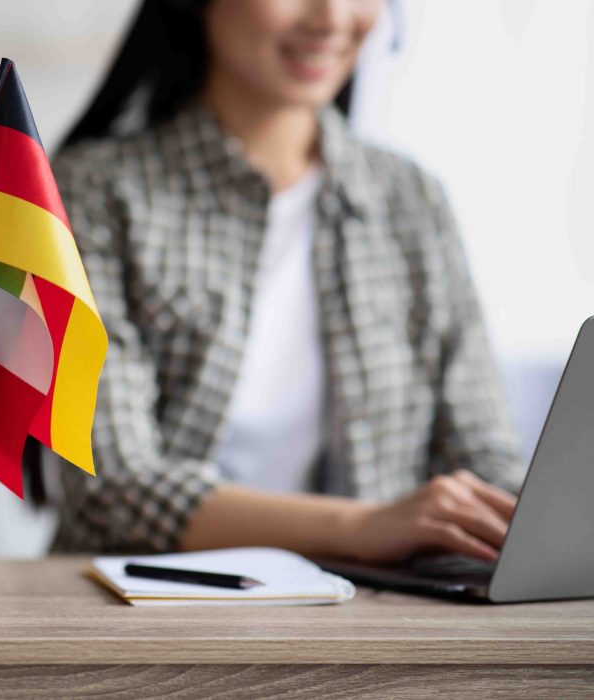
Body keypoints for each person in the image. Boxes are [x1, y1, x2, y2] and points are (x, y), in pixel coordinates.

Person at [47, 0, 524, 560]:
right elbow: (112, 486)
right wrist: (367, 527)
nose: (332, 17)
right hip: (146, 608)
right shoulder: (95, 192)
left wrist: (529, 522)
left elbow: (484, 454)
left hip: (376, 617)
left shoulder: (411, 198)